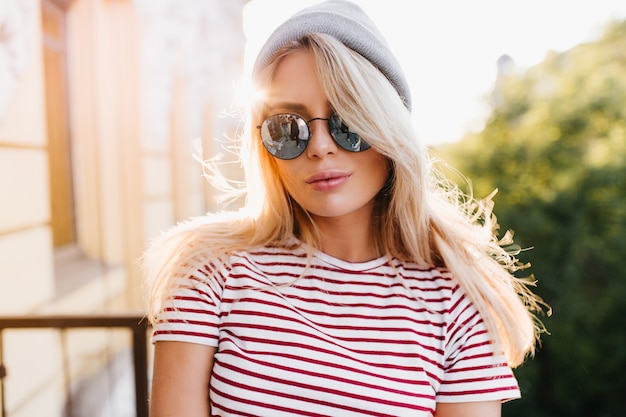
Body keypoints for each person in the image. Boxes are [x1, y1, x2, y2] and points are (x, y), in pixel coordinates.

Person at [144, 1, 546, 416]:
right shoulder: (209, 269)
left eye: (347, 121)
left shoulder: (458, 304)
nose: (320, 147)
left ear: (388, 127)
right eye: (288, 127)